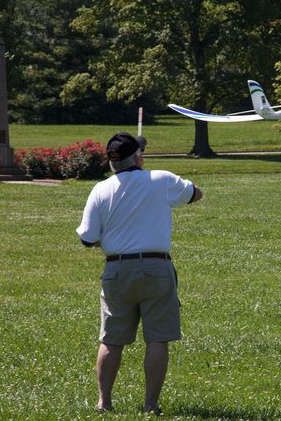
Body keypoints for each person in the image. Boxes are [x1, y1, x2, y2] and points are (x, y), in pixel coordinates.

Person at [76, 132, 202, 415]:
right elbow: (196, 193)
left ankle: (104, 403)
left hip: (117, 269)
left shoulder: (100, 189)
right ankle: (150, 405)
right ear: (138, 157)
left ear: (111, 162)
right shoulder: (161, 179)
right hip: (157, 267)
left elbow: (87, 238)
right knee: (157, 338)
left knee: (111, 339)